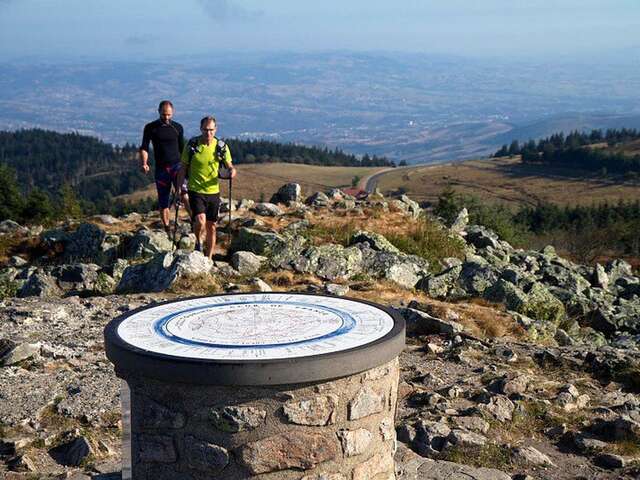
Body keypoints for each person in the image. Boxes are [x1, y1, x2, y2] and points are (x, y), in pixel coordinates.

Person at [178, 116, 236, 259]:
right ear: (201, 129)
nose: (208, 133)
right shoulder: (192, 145)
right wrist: (180, 187)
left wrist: (232, 171)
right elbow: (183, 168)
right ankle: (198, 240)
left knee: (212, 227)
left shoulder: (221, 147)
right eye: (205, 130)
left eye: (211, 130)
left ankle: (208, 258)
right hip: (195, 190)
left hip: (213, 191)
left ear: (215, 129)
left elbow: (230, 166)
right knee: (200, 221)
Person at [139, 100, 190, 235]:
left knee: (184, 194)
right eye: (163, 115)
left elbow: (182, 148)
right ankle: (167, 229)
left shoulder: (178, 127)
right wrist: (144, 163)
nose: (166, 118)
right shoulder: (151, 127)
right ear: (158, 112)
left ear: (172, 113)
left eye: (168, 115)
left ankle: (194, 219)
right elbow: (144, 147)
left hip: (177, 167)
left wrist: (188, 166)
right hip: (162, 170)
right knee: (164, 201)